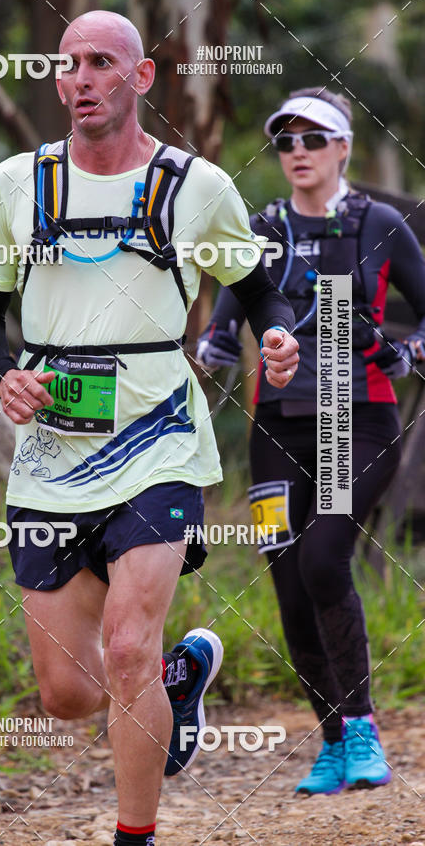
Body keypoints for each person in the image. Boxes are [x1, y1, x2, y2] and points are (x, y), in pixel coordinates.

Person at [0, 10, 299, 844]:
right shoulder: (16, 184)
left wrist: (279, 335)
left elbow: (257, 287)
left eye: (99, 62)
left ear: (140, 79)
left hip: (159, 438)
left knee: (125, 653)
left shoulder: (197, 186)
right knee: (66, 696)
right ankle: (181, 681)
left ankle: (134, 834)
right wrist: (5, 377)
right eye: (67, 64)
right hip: (52, 458)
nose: (78, 78)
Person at [197, 87, 425, 796]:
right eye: (286, 140)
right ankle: (332, 741)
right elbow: (229, 307)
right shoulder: (261, 228)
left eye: (312, 138)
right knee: (289, 581)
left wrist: (407, 352)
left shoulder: (380, 221)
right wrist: (212, 345)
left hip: (356, 420)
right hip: (277, 427)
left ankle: (362, 729)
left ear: (342, 147)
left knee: (325, 557)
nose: (297, 151)